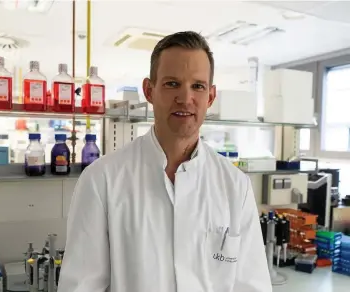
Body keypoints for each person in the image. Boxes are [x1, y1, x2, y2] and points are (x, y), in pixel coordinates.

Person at [58, 31, 271, 292]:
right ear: (149, 90)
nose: (185, 97)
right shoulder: (102, 180)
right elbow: (81, 287)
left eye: (198, 86)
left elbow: (251, 285)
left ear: (211, 97)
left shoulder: (235, 186)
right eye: (172, 84)